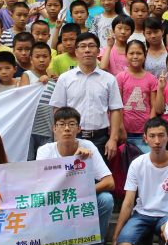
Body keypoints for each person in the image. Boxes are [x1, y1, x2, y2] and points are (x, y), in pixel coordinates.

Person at [36, 107, 115, 245]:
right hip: (55, 199)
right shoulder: (45, 151)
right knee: (39, 201)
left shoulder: (88, 146)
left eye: (71, 124)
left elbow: (109, 182)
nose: (66, 129)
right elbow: (44, 186)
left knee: (105, 200)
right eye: (61, 124)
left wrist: (82, 192)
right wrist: (74, 160)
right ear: (54, 128)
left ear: (79, 128)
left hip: (81, 198)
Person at [111, 117, 168, 245]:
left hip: (166, 215)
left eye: (161, 135)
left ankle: (164, 240)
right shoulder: (137, 164)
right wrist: (115, 237)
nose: (157, 141)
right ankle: (145, 237)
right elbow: (128, 202)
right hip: (142, 214)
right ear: (145, 138)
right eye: (152, 136)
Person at [50, 32, 123, 161]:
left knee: (99, 173)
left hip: (100, 138)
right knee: (71, 173)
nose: (87, 50)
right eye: (82, 46)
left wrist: (113, 139)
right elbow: (58, 109)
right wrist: (59, 137)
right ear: (76, 51)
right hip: (72, 138)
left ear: (98, 51)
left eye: (91, 46)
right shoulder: (65, 78)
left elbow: (116, 110)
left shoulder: (109, 79)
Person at [117, 40, 158, 154]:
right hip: (125, 131)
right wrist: (120, 127)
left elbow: (154, 106)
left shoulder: (151, 79)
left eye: (139, 53)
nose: (135, 56)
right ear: (126, 55)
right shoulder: (121, 77)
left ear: (145, 55)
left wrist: (149, 129)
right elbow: (117, 105)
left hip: (144, 132)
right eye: (131, 53)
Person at [25, 41, 56, 160]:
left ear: (50, 58)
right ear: (31, 59)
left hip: (47, 129)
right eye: (37, 57)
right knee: (28, 161)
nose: (41, 60)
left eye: (45, 56)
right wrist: (38, 83)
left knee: (45, 162)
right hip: (29, 129)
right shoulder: (27, 75)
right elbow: (23, 98)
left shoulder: (54, 80)